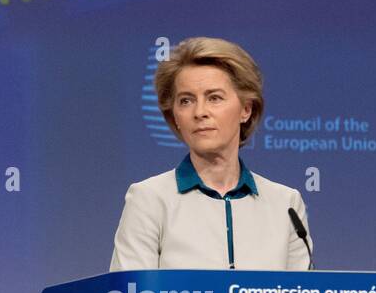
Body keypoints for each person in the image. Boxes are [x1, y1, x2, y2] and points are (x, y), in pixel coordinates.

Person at [110, 37, 312, 271]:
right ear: (175, 116)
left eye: (214, 98)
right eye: (186, 101)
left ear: (246, 109)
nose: (200, 112)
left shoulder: (286, 204)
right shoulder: (149, 200)